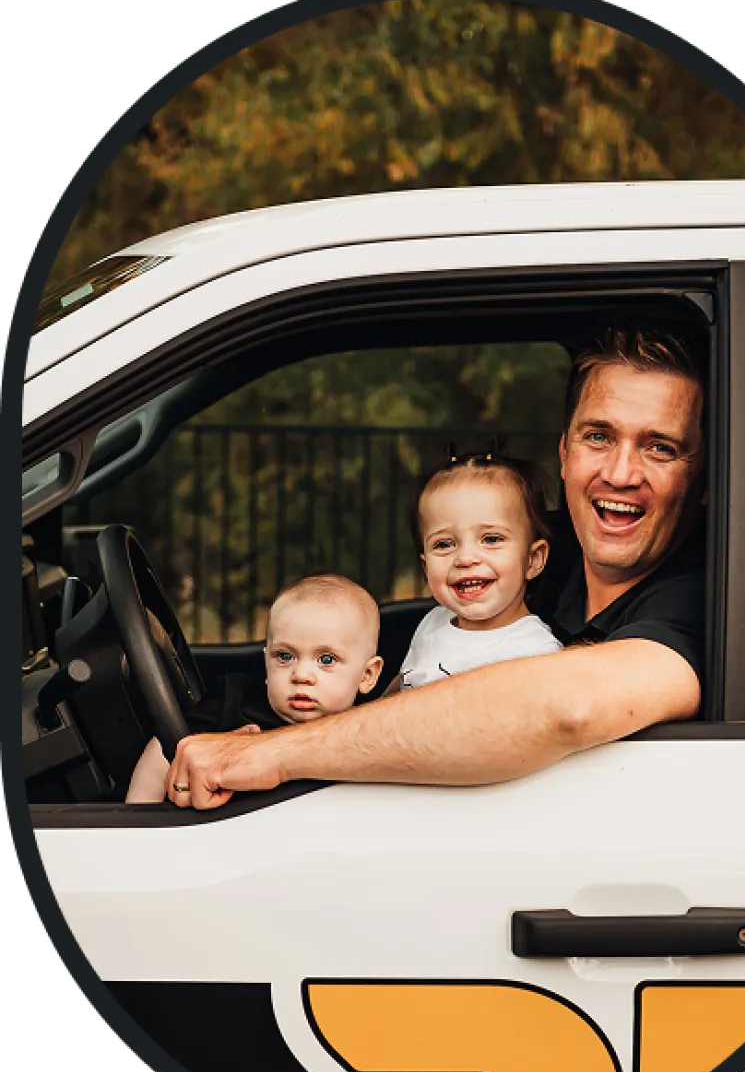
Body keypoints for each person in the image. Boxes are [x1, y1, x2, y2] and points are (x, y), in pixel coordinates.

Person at [164, 325, 706, 809]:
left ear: (702, 479)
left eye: (660, 448)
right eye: (599, 437)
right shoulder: (549, 548)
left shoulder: (710, 599)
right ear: (565, 452)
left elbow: (568, 705)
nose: (620, 473)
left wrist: (272, 754)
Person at [126, 573, 383, 802]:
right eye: (285, 657)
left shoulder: (372, 734)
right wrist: (141, 810)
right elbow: (167, 746)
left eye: (326, 660)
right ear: (266, 662)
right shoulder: (234, 702)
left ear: (367, 675)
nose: (301, 675)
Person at [385, 449, 562, 694]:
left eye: (491, 539)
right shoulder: (433, 621)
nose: (465, 559)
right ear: (426, 568)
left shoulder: (536, 654)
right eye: (444, 544)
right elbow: (402, 684)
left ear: (533, 560)